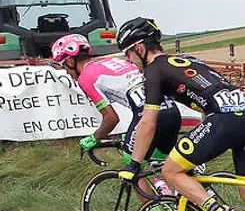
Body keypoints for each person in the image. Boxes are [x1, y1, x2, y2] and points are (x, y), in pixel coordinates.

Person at [115, 17, 245, 211]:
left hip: (224, 120)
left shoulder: (154, 70)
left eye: (127, 54)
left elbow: (148, 123)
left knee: (170, 171)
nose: (128, 60)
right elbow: (211, 96)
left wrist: (134, 163)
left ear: (139, 48)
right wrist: (202, 146)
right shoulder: (187, 60)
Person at [50, 33, 182, 184]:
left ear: (70, 60)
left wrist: (95, 137)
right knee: (163, 166)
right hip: (171, 111)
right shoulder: (113, 61)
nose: (66, 72)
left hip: (148, 115)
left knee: (131, 169)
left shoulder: (85, 77)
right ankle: (177, 201)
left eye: (63, 64)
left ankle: (153, 208)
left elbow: (111, 119)